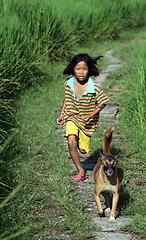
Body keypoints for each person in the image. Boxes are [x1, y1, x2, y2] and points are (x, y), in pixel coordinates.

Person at [56, 53, 110, 182]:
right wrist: (62, 114)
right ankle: (80, 171)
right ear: (73, 69)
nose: (81, 72)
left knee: (84, 151)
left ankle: (81, 142)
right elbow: (67, 100)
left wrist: (90, 116)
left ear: (89, 70)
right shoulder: (68, 83)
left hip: (88, 121)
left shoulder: (94, 88)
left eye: (84, 69)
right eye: (77, 69)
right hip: (72, 116)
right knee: (71, 141)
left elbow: (102, 103)